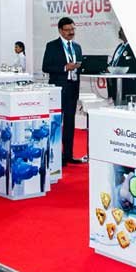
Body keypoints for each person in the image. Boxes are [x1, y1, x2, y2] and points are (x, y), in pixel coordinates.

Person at [42, 17, 86, 165]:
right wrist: (65, 67)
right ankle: (54, 156)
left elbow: (80, 66)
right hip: (58, 89)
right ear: (60, 30)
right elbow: (46, 67)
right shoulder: (52, 46)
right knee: (56, 122)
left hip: (73, 88)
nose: (71, 32)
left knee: (70, 122)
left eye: (73, 29)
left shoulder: (77, 47)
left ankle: (68, 155)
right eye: (67, 30)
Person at [107, 27, 136, 104]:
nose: (119, 32)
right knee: (117, 107)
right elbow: (114, 61)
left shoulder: (134, 46)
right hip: (117, 86)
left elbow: (134, 65)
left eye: (121, 30)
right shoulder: (120, 46)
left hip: (129, 86)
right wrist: (107, 67)